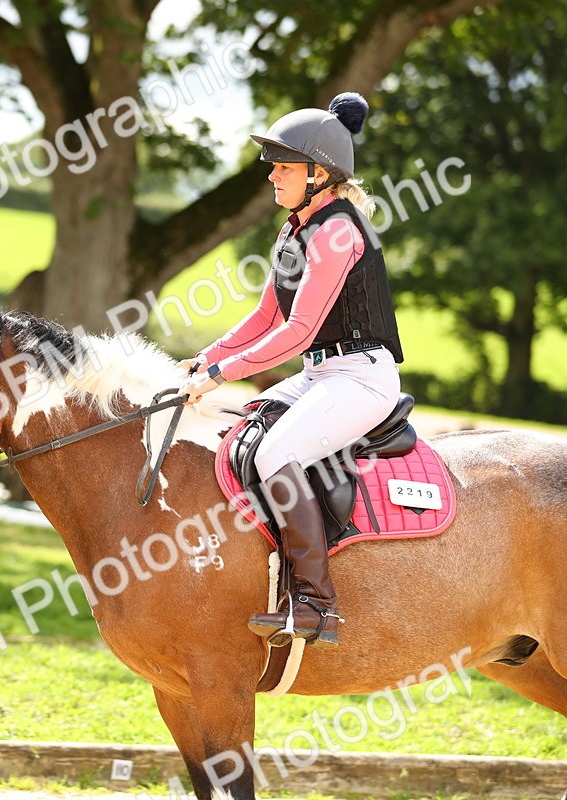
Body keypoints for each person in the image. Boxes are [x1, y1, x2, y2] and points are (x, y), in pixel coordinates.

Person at [178, 92, 404, 649]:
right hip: (321, 375)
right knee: (243, 433)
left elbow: (298, 330)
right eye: (274, 167)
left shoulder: (337, 232)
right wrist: (205, 358)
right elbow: (265, 316)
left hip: (360, 377)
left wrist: (223, 373)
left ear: (319, 174)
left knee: (279, 452)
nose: (273, 178)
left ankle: (315, 601)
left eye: (283, 167)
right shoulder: (294, 229)